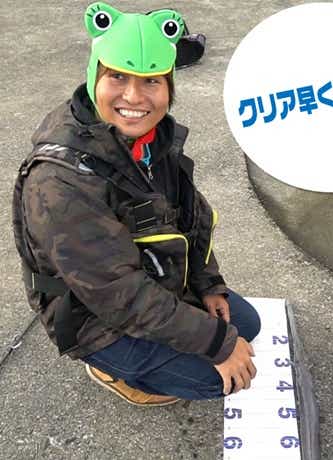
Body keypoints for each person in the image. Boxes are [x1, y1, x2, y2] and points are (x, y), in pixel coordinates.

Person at [12, 2, 259, 406]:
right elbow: (116, 292)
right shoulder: (58, 180)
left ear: (169, 87)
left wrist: (207, 283)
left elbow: (192, 216)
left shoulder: (153, 138)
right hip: (93, 313)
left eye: (151, 81)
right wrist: (216, 343)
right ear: (94, 75)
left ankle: (168, 343)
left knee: (247, 325)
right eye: (118, 76)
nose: (134, 96)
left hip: (152, 275)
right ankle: (110, 368)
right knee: (217, 378)